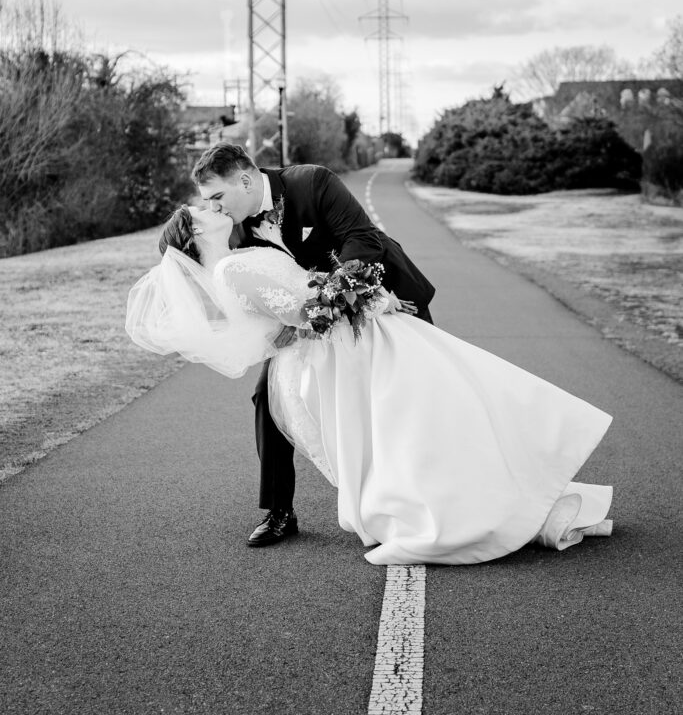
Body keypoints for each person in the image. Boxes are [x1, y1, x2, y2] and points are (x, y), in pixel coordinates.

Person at [126, 202, 614, 566]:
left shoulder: (244, 254)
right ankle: (462, 499)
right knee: (412, 419)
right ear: (192, 231)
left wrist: (360, 293)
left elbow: (301, 297)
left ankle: (479, 492)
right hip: (333, 355)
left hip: (346, 341)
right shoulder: (230, 269)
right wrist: (363, 295)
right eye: (202, 208)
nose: (213, 205)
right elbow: (302, 311)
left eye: (212, 198)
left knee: (422, 414)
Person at [189, 144, 436, 548]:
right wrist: (291, 324)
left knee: (415, 389)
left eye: (217, 197)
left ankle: (429, 483)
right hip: (310, 321)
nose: (214, 209)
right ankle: (279, 511)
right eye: (208, 202)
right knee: (266, 395)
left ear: (246, 180)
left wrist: (336, 303)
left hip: (383, 296)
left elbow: (362, 239)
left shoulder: (312, 182)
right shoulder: (235, 226)